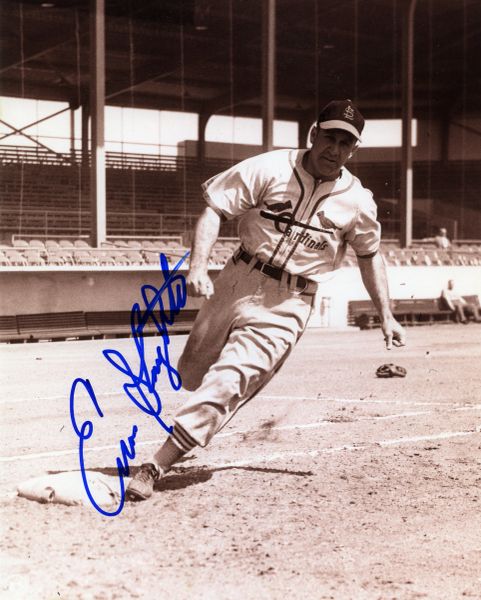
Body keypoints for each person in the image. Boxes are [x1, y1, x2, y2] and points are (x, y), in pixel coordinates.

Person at [126, 99, 406, 501]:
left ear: (354, 149)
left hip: (290, 299)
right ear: (314, 134)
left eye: (346, 143)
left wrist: (387, 315)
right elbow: (213, 208)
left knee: (231, 378)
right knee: (191, 374)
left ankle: (156, 464)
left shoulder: (357, 201)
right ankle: (206, 411)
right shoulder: (270, 167)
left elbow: (369, 254)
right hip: (238, 277)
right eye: (330, 137)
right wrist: (198, 267)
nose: (335, 149)